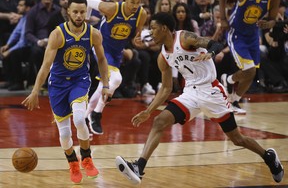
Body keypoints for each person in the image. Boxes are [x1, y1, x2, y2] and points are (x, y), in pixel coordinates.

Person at [114, 12, 284, 185]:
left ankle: (268, 156)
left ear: (164, 28)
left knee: (237, 139)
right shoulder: (163, 57)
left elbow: (214, 44)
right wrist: (148, 111)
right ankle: (139, 167)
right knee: (159, 121)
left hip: (212, 92)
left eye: (154, 28)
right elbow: (166, 88)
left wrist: (209, 53)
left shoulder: (184, 38)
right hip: (190, 93)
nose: (151, 32)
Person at [21, 0, 109, 184]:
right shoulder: (57, 34)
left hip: (80, 80)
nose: (79, 15)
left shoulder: (93, 33)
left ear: (86, 12)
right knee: (65, 134)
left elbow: (102, 59)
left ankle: (86, 157)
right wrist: (35, 90)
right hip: (58, 84)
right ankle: (72, 162)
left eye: (82, 12)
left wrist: (106, 84)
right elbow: (45, 66)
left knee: (79, 118)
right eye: (75, 12)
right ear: (67, 12)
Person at [85, 0, 147, 135]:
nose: (134, 6)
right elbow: (87, 2)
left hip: (117, 52)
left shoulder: (141, 14)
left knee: (104, 86)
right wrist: (86, 20)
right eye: (132, 2)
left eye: (138, 3)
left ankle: (85, 116)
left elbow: (134, 37)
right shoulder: (111, 8)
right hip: (101, 47)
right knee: (116, 78)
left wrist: (137, 41)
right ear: (124, 0)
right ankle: (97, 114)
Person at [219, 0, 280, 114]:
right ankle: (228, 80)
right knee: (250, 70)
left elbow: (272, 19)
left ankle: (234, 100)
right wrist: (222, 19)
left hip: (252, 35)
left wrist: (267, 24)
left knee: (251, 74)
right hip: (236, 34)